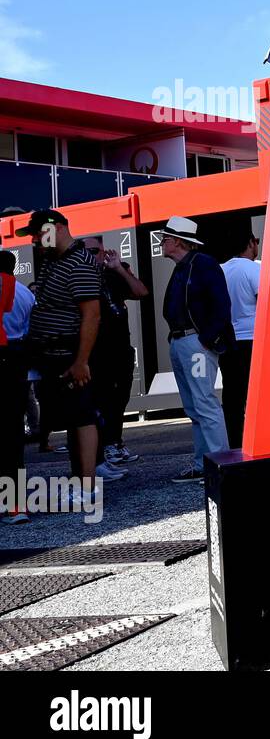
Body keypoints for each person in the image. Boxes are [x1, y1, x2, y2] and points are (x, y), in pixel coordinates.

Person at [17, 209, 101, 509]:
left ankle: (88, 487)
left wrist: (81, 360)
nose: (37, 240)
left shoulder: (78, 262)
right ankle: (79, 482)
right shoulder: (54, 261)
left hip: (69, 353)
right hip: (53, 354)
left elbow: (91, 314)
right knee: (72, 419)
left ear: (58, 228)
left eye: (41, 233)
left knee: (81, 417)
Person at [160, 216, 233, 482]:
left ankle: (218, 465)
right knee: (195, 405)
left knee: (203, 403)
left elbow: (222, 304)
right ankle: (205, 464)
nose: (162, 242)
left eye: (166, 238)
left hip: (194, 342)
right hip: (184, 341)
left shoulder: (202, 264)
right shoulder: (186, 266)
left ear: (179, 241)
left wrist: (206, 339)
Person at [84, 236, 148, 473]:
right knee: (101, 402)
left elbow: (141, 292)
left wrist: (120, 268)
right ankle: (104, 449)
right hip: (97, 352)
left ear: (104, 251)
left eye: (96, 251)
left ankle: (115, 442)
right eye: (87, 251)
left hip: (121, 348)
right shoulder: (81, 276)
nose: (93, 255)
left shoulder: (114, 274)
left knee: (120, 399)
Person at [1, 249, 35, 524]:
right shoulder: (24, 293)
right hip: (15, 361)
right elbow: (29, 329)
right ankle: (15, 504)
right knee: (13, 434)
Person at [220, 230, 260, 447]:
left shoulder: (221, 270)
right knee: (256, 394)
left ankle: (235, 443)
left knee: (232, 395)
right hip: (253, 338)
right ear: (250, 243)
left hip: (230, 340)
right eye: (257, 241)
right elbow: (265, 302)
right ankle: (258, 439)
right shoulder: (253, 269)